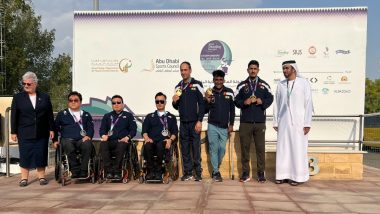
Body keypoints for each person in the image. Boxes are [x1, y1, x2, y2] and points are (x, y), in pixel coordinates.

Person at [11, 71, 54, 187]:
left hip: (42, 131)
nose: (26, 86)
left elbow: (49, 114)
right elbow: (14, 115)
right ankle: (24, 179)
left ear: (35, 84)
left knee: (41, 153)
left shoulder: (45, 97)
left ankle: (41, 177)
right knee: (25, 154)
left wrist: (52, 129)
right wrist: (13, 131)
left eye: (28, 84)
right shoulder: (18, 97)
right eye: (24, 83)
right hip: (24, 131)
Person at [273, 60, 313, 186]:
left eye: (287, 68)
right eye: (283, 68)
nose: (284, 70)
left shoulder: (303, 83)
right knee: (283, 149)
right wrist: (276, 121)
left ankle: (297, 177)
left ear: (294, 69)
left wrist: (307, 123)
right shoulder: (280, 85)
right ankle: (282, 175)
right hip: (284, 123)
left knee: (297, 148)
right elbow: (277, 104)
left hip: (299, 123)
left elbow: (308, 103)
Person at [235, 60, 273, 183]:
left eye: (255, 68)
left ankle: (261, 174)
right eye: (251, 68)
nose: (253, 70)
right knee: (245, 148)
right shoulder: (241, 85)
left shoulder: (264, 85)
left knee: (260, 149)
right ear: (247, 70)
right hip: (245, 122)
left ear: (258, 70)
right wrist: (243, 103)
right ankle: (245, 173)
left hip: (259, 122)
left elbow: (271, 97)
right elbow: (235, 100)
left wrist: (263, 103)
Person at [172, 61, 205, 181]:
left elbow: (202, 104)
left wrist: (200, 120)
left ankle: (198, 173)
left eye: (185, 70)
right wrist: (174, 101)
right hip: (183, 123)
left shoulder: (197, 84)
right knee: (184, 149)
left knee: (196, 148)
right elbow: (176, 106)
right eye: (181, 70)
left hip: (194, 122)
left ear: (190, 70)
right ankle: (188, 172)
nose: (183, 72)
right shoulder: (178, 86)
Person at [53, 91, 94, 178]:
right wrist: (55, 140)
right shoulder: (62, 114)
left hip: (81, 140)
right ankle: (75, 170)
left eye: (76, 100)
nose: (73, 102)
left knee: (87, 145)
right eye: (71, 100)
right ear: (68, 102)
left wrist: (88, 136)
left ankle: (83, 170)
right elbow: (55, 128)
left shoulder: (86, 115)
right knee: (68, 145)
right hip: (67, 139)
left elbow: (91, 128)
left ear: (80, 102)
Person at [205, 70, 235, 182]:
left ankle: (215, 169)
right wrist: (207, 100)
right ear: (213, 80)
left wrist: (231, 124)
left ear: (223, 80)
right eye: (216, 79)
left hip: (224, 126)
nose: (218, 81)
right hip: (212, 125)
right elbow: (204, 110)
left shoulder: (230, 92)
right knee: (213, 149)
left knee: (221, 149)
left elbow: (232, 110)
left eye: (220, 80)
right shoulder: (209, 92)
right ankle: (216, 172)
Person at [142, 92, 178, 180]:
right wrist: (146, 138)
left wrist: (170, 140)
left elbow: (175, 132)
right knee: (147, 146)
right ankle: (150, 171)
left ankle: (158, 171)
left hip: (164, 142)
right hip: (152, 140)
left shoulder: (171, 117)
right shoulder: (149, 116)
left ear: (165, 102)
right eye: (157, 101)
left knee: (160, 145)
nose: (159, 103)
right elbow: (144, 131)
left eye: (162, 101)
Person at [99, 95, 137, 180]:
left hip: (122, 141)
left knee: (121, 144)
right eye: (114, 103)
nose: (116, 104)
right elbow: (102, 129)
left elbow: (133, 130)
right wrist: (103, 135)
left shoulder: (128, 116)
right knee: (103, 144)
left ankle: (117, 171)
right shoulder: (107, 116)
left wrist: (127, 137)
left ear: (123, 104)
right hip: (110, 141)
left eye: (118, 102)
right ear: (112, 105)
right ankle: (109, 171)